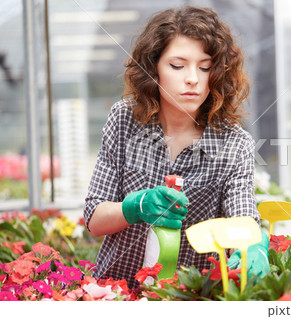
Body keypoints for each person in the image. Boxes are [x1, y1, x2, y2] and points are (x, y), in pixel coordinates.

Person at [84, 6, 269, 289]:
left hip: (188, 297)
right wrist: (136, 206)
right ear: (153, 68)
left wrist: (252, 243)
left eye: (205, 67)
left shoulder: (234, 143)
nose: (193, 78)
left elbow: (242, 215)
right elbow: (94, 218)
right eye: (177, 65)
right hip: (115, 293)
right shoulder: (124, 120)